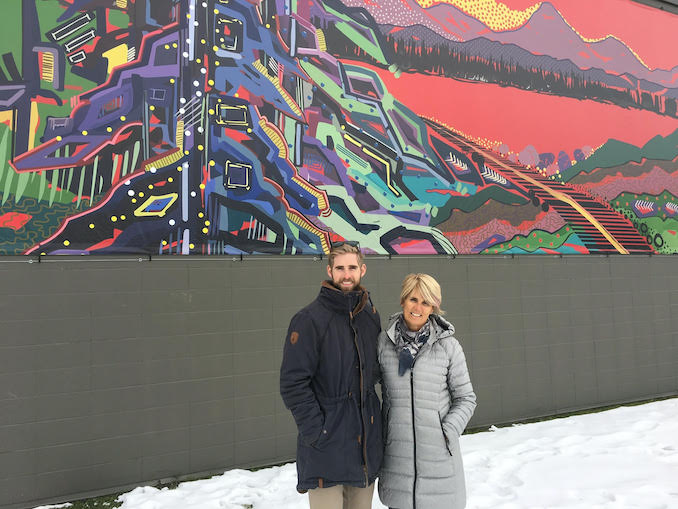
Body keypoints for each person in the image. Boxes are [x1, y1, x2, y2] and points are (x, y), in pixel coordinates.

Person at [280, 241, 383, 509]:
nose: (346, 274)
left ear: (363, 270)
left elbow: (375, 374)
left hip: (365, 449)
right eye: (340, 268)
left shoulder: (370, 316)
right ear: (329, 270)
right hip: (327, 447)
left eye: (351, 267)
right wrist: (317, 431)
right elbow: (293, 384)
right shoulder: (309, 319)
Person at [377, 273, 477, 509]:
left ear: (434, 307)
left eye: (426, 302)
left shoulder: (448, 346)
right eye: (413, 299)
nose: (418, 307)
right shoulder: (383, 343)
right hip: (396, 460)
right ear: (403, 300)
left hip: (439, 459)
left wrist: (447, 432)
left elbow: (466, 398)